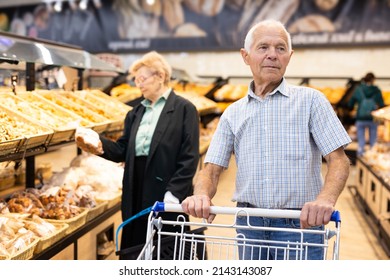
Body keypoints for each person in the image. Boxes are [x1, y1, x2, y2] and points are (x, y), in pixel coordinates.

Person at [181, 19, 351, 260]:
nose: (273, 55)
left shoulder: (312, 101)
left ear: (289, 56)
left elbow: (339, 160)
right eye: (263, 47)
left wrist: (325, 199)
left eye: (280, 48)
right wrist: (201, 195)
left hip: (299, 225)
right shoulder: (233, 112)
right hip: (249, 227)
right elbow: (211, 170)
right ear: (245, 55)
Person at [76, 51, 200, 259]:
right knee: (136, 247)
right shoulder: (135, 113)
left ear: (160, 76)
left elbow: (189, 157)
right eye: (135, 80)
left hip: (166, 189)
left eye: (142, 79)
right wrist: (98, 143)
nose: (138, 85)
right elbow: (123, 150)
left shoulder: (184, 110)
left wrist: (175, 193)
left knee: (166, 249)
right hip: (135, 186)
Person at [348, 72, 385, 156]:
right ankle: (372, 155)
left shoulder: (359, 89)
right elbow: (381, 104)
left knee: (361, 139)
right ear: (373, 80)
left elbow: (351, 102)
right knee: (373, 139)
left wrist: (350, 108)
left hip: (360, 118)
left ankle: (360, 155)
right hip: (372, 118)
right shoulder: (376, 90)